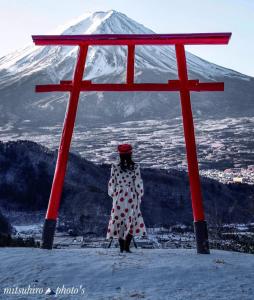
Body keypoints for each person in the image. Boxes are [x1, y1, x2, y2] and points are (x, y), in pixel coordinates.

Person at [106, 143, 147, 253]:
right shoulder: (135, 167)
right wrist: (139, 194)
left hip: (119, 196)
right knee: (131, 220)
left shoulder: (114, 167)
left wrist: (114, 193)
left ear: (120, 154)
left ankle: (121, 248)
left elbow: (112, 183)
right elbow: (138, 183)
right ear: (130, 154)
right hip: (131, 196)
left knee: (119, 221)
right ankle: (127, 247)